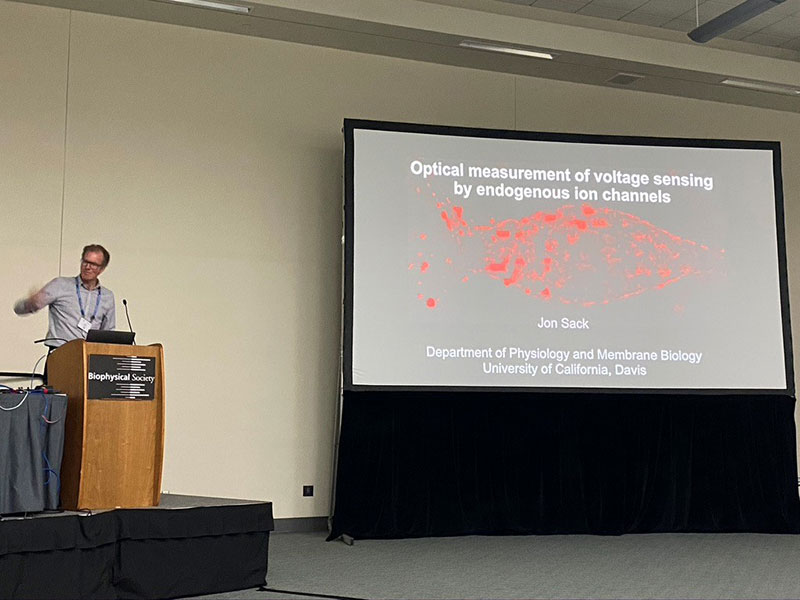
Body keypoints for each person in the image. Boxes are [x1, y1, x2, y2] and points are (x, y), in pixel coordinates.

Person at [14, 244, 116, 351]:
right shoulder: (60, 285)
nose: (87, 267)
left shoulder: (107, 296)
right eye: (85, 262)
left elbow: (108, 334)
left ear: (101, 269)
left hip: (89, 354)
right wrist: (31, 302)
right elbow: (19, 309)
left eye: (93, 264)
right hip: (60, 351)